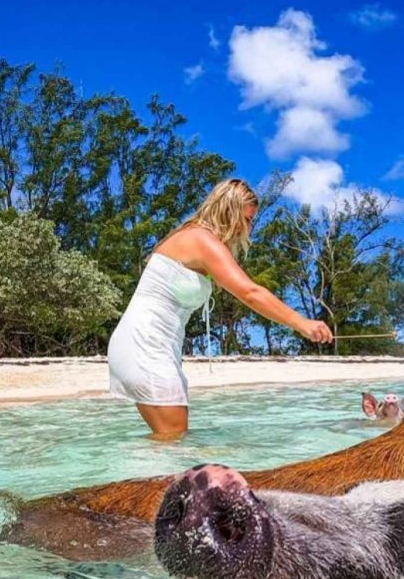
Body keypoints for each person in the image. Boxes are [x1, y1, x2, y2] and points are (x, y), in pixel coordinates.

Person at [107, 178, 333, 439]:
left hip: (158, 347)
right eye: (247, 220)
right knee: (172, 437)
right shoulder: (201, 240)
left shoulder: (198, 239)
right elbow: (250, 293)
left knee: (170, 439)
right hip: (144, 343)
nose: (249, 228)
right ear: (230, 212)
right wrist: (302, 323)